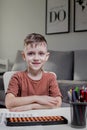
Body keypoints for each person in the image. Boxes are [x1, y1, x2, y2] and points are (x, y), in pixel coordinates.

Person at [5, 33, 62, 112]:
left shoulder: (50, 77)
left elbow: (57, 103)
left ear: (46, 56)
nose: (36, 58)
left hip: (44, 118)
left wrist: (32, 106)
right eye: (31, 53)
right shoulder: (17, 77)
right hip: (23, 118)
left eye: (41, 53)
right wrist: (37, 98)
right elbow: (9, 103)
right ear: (24, 56)